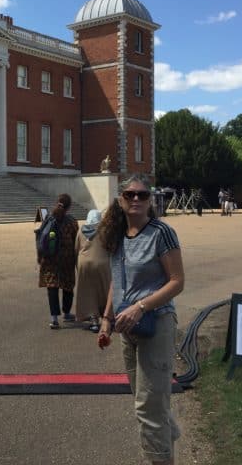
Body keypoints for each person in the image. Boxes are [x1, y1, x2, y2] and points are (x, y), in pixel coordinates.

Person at [97, 175, 185, 465]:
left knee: (148, 407)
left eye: (143, 195)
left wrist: (141, 307)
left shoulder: (161, 232)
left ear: (151, 200)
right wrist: (107, 320)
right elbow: (116, 282)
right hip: (128, 327)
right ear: (121, 199)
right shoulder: (119, 235)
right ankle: (164, 446)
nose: (136, 199)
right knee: (146, 401)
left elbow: (177, 281)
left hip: (156, 323)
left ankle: (158, 459)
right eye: (130, 194)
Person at [38, 193, 79, 329]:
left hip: (49, 259)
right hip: (66, 259)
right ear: (69, 207)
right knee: (68, 285)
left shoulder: (48, 218)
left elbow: (40, 237)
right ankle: (66, 313)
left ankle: (54, 318)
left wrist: (40, 256)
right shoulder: (72, 222)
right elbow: (77, 242)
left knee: (52, 286)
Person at [74, 209, 111, 332]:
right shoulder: (105, 230)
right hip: (102, 264)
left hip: (84, 263)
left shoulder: (81, 230)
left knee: (88, 292)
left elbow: (76, 248)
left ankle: (93, 320)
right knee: (105, 290)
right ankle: (108, 317)